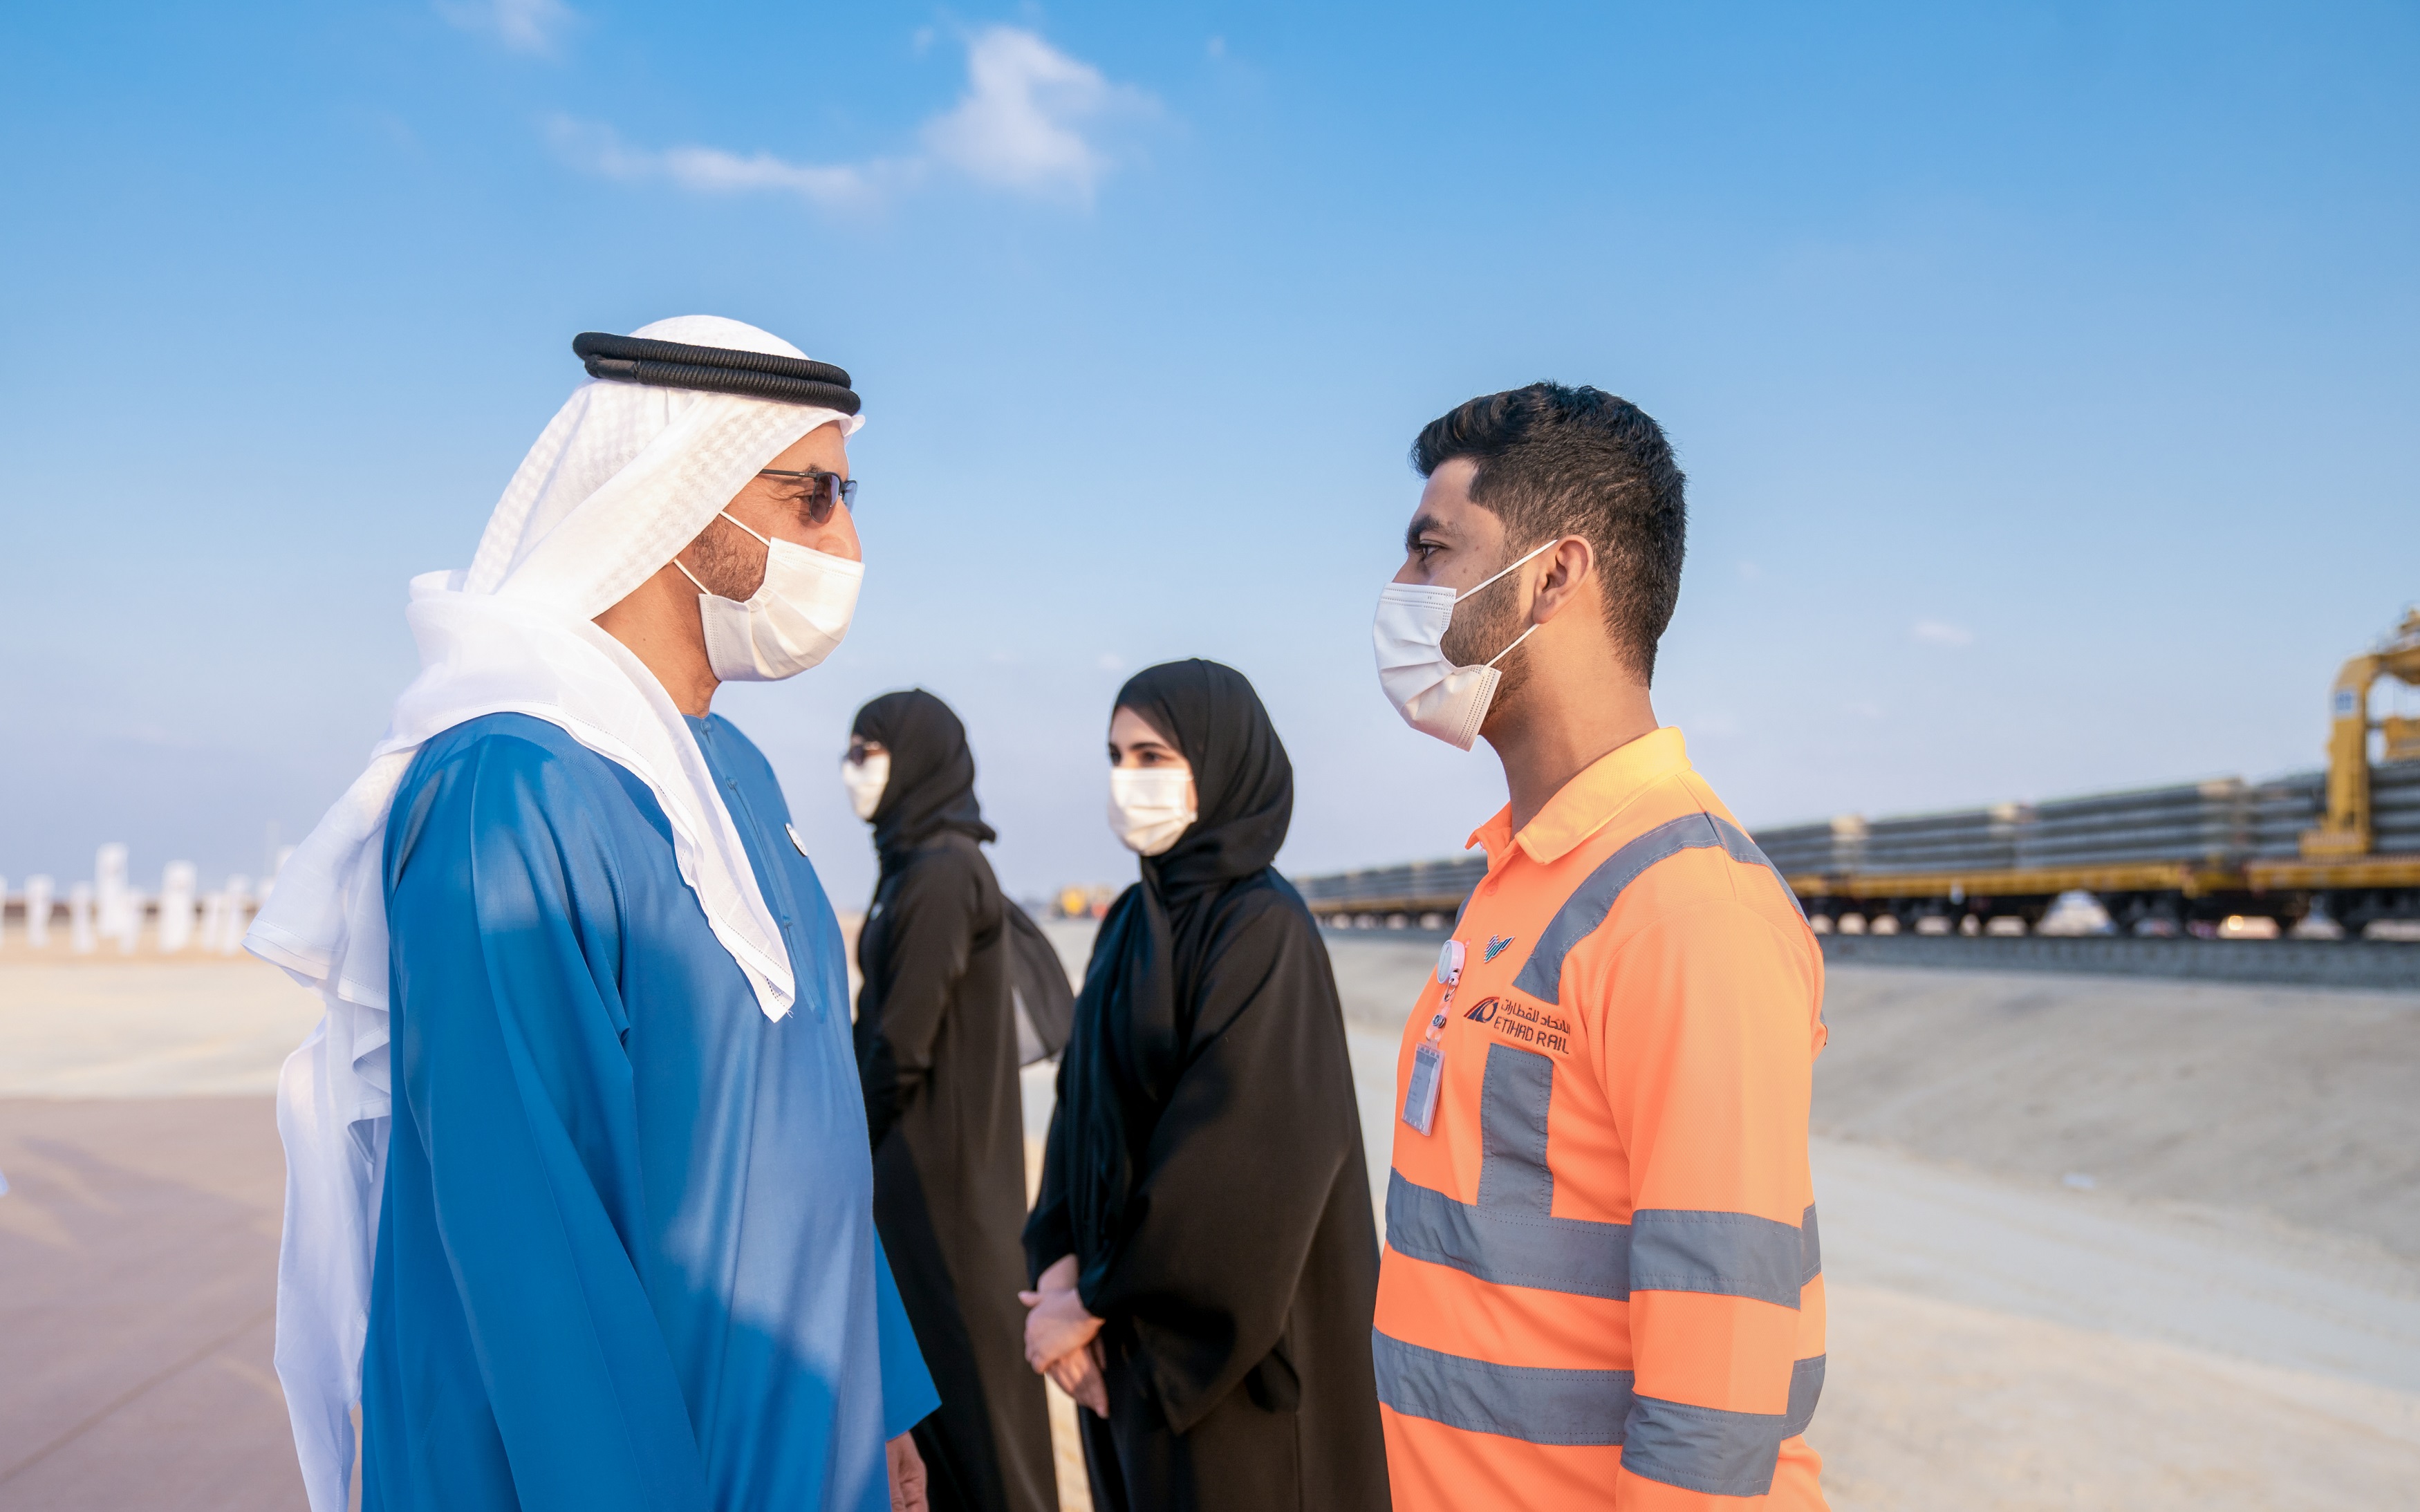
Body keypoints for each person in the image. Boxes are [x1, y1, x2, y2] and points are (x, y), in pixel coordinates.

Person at [248, 317, 938, 1512]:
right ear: (688, 501)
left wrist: (880, 1403)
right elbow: (532, 1255)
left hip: (806, 1438)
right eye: (816, 497)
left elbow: (806, 1117)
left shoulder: (735, 781)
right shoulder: (507, 793)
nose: (850, 539)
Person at [1368, 384, 1828, 1508]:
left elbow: (1716, 1395)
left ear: (1555, 573)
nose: (1401, 592)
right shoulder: (1522, 873)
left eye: (1432, 550)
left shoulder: (1685, 911)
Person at [1020, 659, 1390, 1512]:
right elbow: (1081, 1116)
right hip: (1124, 1356)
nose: (1127, 781)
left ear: (1221, 762)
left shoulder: (1263, 928)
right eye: (1116, 758)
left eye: (1152, 757)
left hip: (1232, 1372)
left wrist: (1089, 1305)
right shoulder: (1128, 924)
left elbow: (1239, 1170)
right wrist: (1058, 1263)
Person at [846, 690, 1058, 1512]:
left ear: (920, 760)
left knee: (973, 1411)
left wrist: (839, 1142)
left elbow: (901, 1042)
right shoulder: (914, 864)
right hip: (921, 1181)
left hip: (945, 1195)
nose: (854, 768)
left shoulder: (938, 871)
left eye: (871, 750)